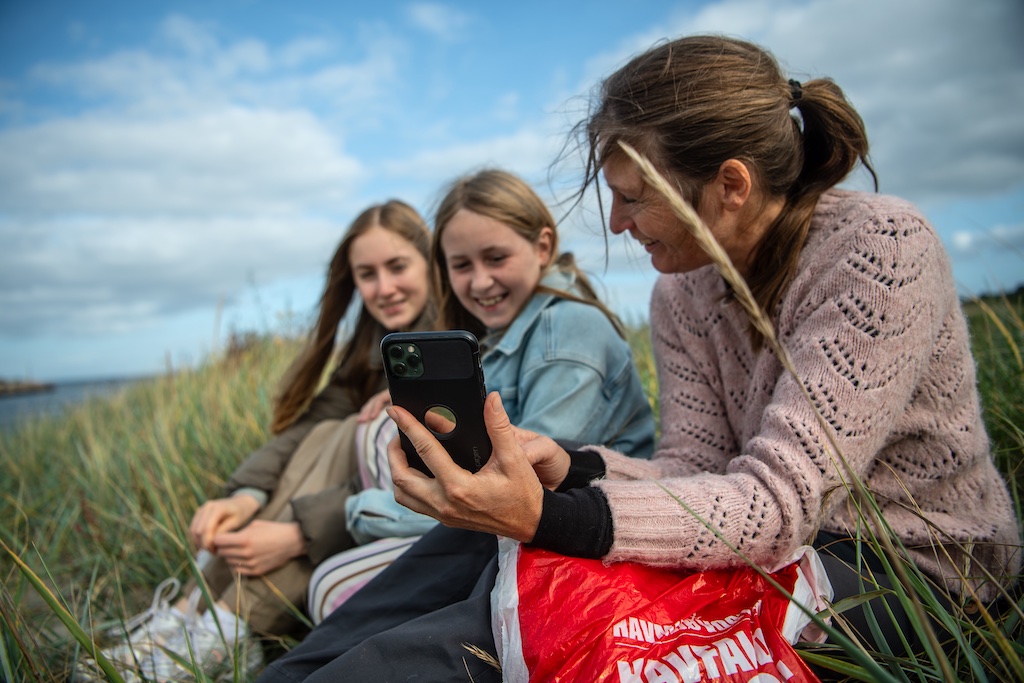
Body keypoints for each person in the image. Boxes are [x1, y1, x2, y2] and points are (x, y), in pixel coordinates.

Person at [258, 36, 1021, 682]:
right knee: (482, 537)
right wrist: (569, 467)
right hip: (770, 540)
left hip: (906, 570)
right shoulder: (682, 292)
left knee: (524, 619)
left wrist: (553, 515)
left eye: (633, 197)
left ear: (730, 184)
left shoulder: (879, 252)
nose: (618, 223)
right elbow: (695, 468)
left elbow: (777, 505)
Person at [76, 200, 436, 681]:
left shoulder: (456, 351)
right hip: (343, 512)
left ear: (429, 262)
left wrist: (298, 533)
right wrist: (246, 496)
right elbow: (302, 432)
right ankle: (192, 617)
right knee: (325, 432)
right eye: (367, 274)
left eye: (397, 267)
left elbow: (419, 484)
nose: (383, 288)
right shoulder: (369, 350)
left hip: (397, 524)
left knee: (345, 434)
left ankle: (222, 629)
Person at [304, 167, 656, 623]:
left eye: (496, 258)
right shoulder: (498, 334)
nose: (480, 282)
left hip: (572, 542)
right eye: (462, 265)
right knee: (372, 440)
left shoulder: (566, 337)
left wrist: (354, 514)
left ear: (543, 247)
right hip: (494, 523)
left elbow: (521, 491)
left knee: (332, 585)